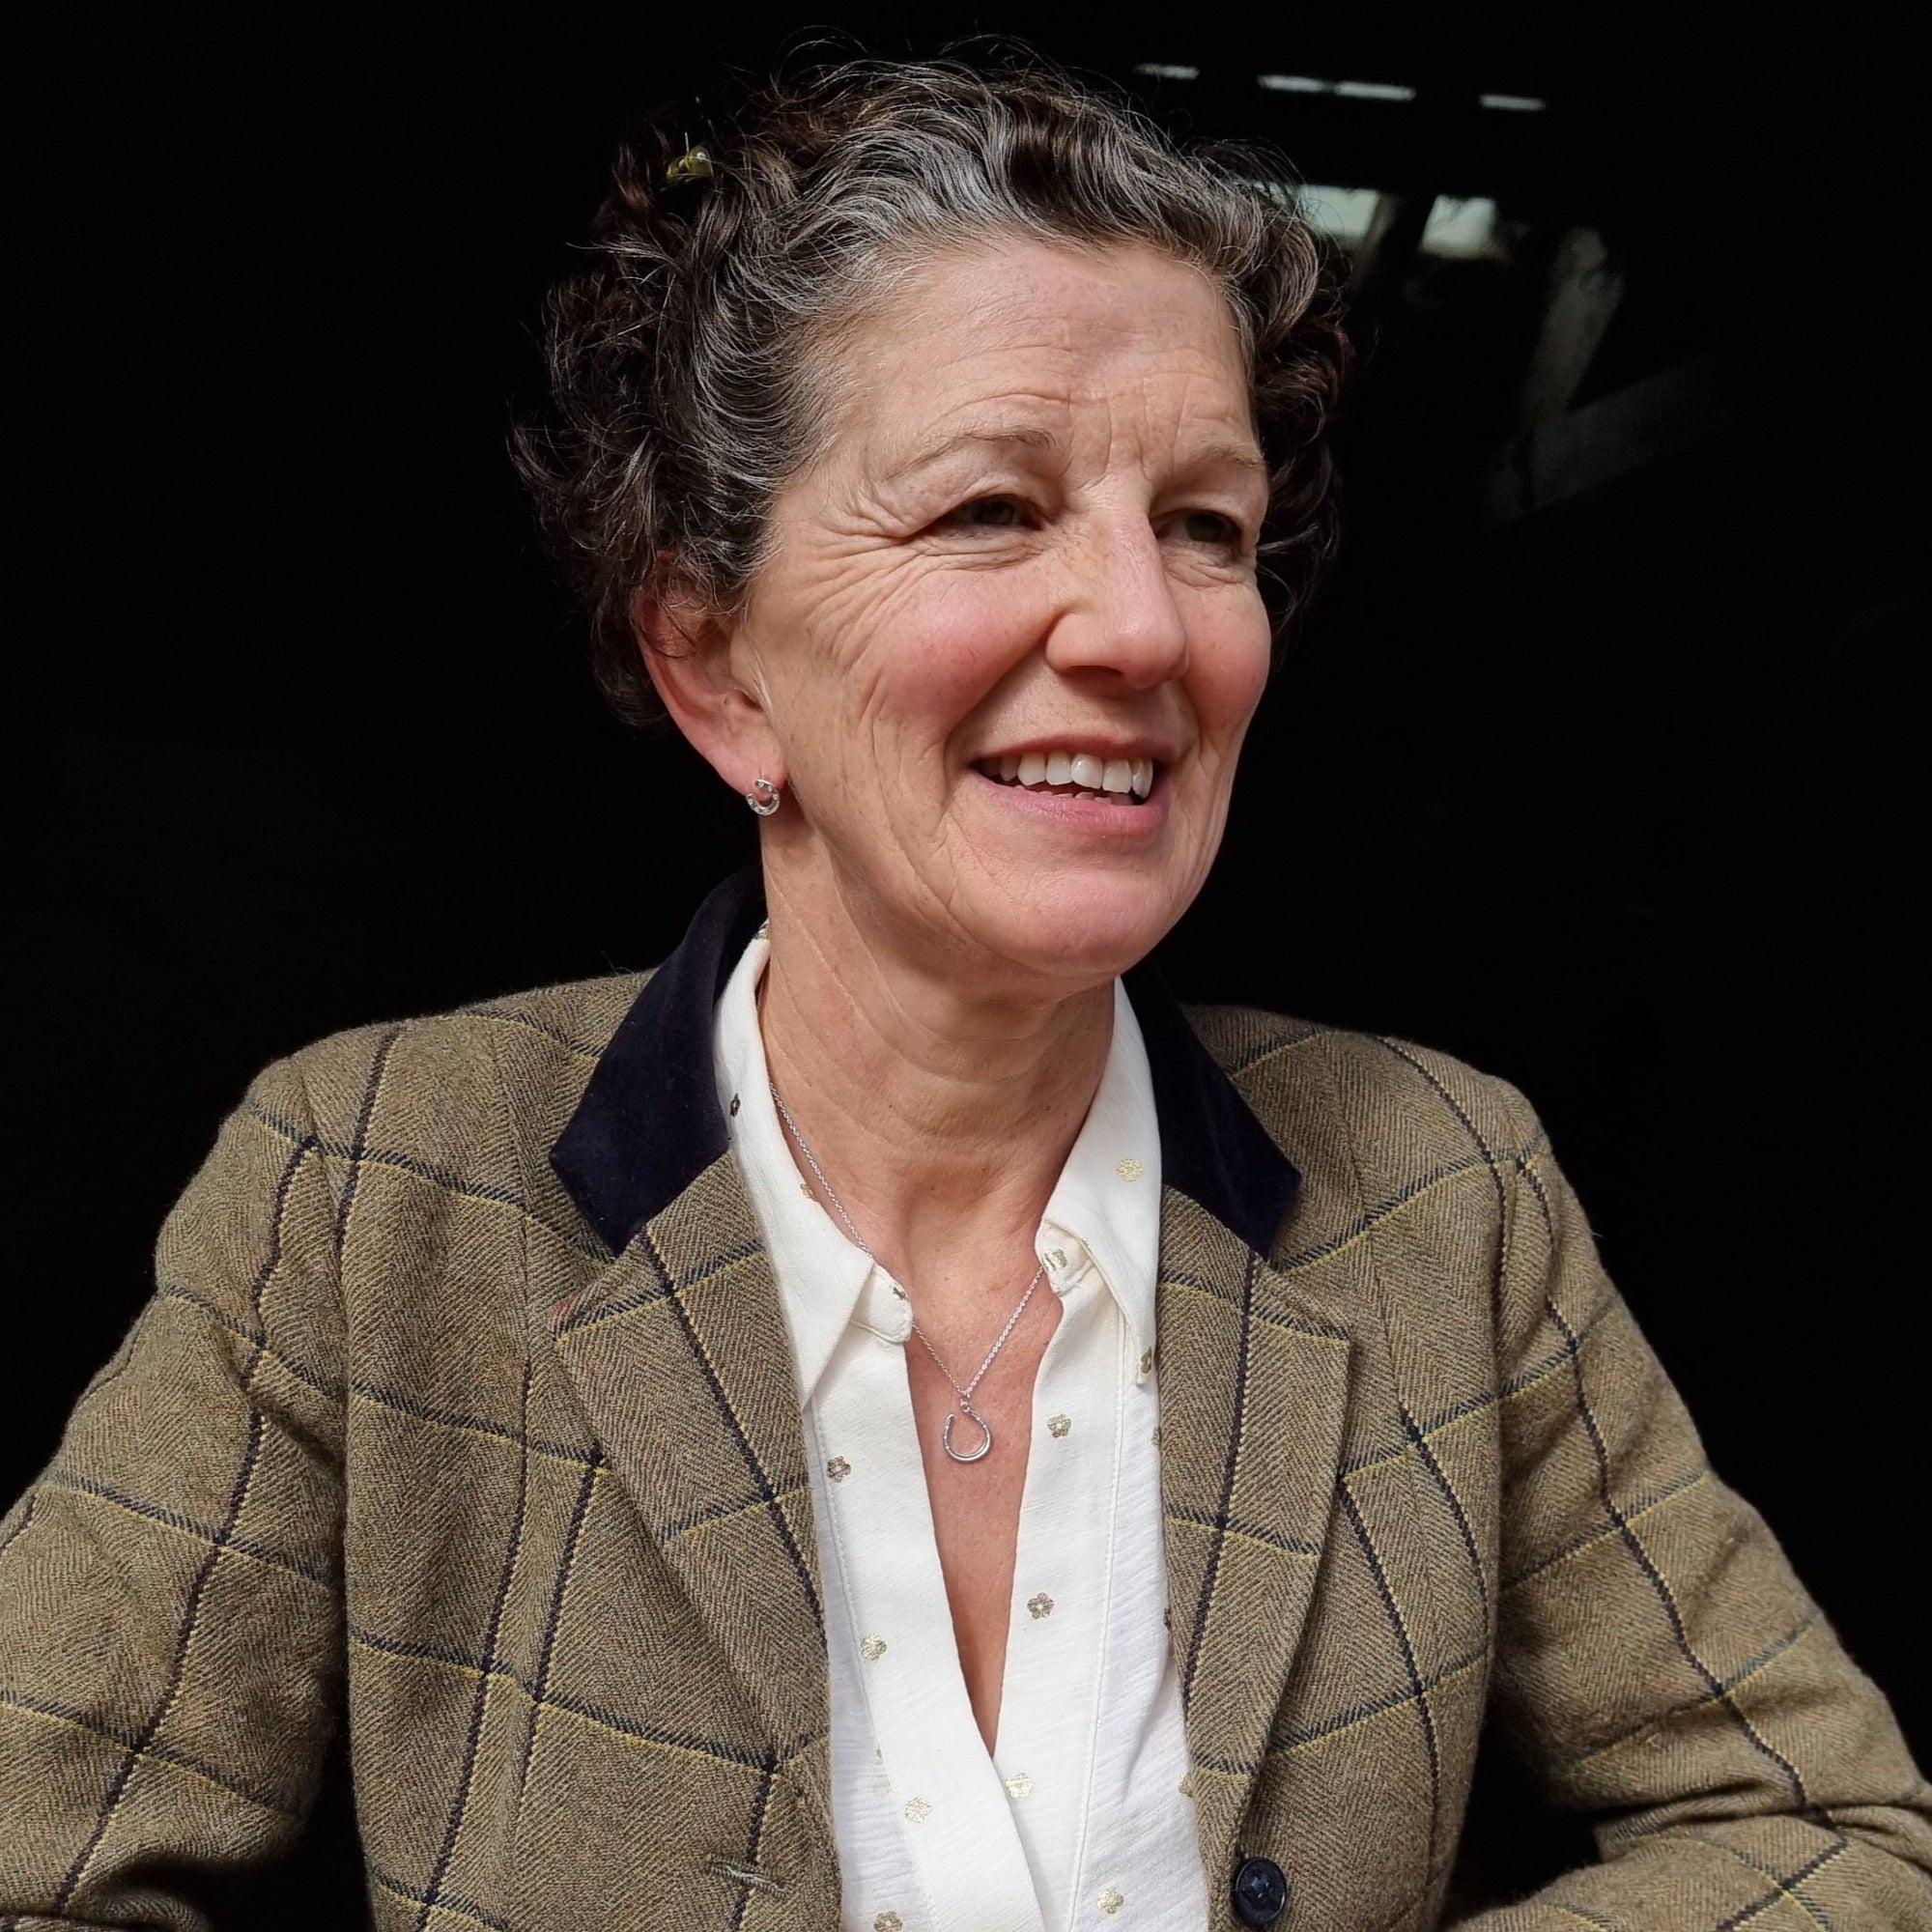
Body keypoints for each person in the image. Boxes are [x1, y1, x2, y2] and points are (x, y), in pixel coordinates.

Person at [2, 52, 1925, 1932]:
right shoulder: (368, 1195)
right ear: (716, 666)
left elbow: (1830, 1826)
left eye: (1203, 525)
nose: (1142, 625)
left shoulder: (1445, 1190)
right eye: (989, 510)